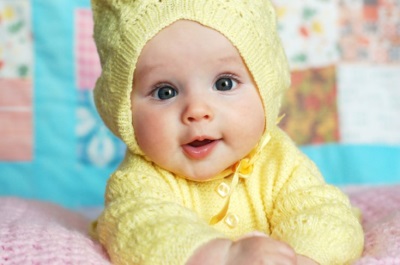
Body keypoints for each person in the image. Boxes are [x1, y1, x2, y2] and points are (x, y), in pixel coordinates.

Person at [90, 0, 364, 264]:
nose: (197, 111)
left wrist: (303, 257)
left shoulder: (279, 162)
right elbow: (140, 228)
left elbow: (325, 213)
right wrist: (220, 257)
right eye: (165, 92)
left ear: (265, 91)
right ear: (124, 111)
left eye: (224, 84)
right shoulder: (138, 181)